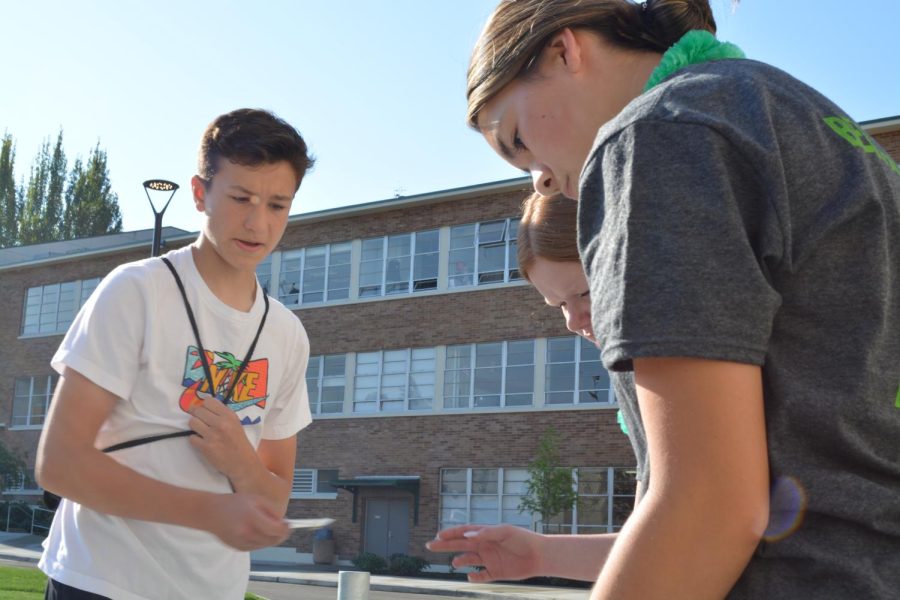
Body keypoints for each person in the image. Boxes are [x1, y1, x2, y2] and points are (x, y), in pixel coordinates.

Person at [429, 1, 900, 598]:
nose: (540, 179)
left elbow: (710, 505)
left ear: (564, 49)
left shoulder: (657, 133)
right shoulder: (800, 114)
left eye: (517, 139)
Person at [36, 108, 316, 600]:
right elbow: (59, 463)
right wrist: (207, 512)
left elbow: (274, 496)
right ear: (199, 193)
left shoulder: (287, 334)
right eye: (241, 198)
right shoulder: (136, 291)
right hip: (101, 581)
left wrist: (241, 464)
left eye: (278, 205)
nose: (258, 222)